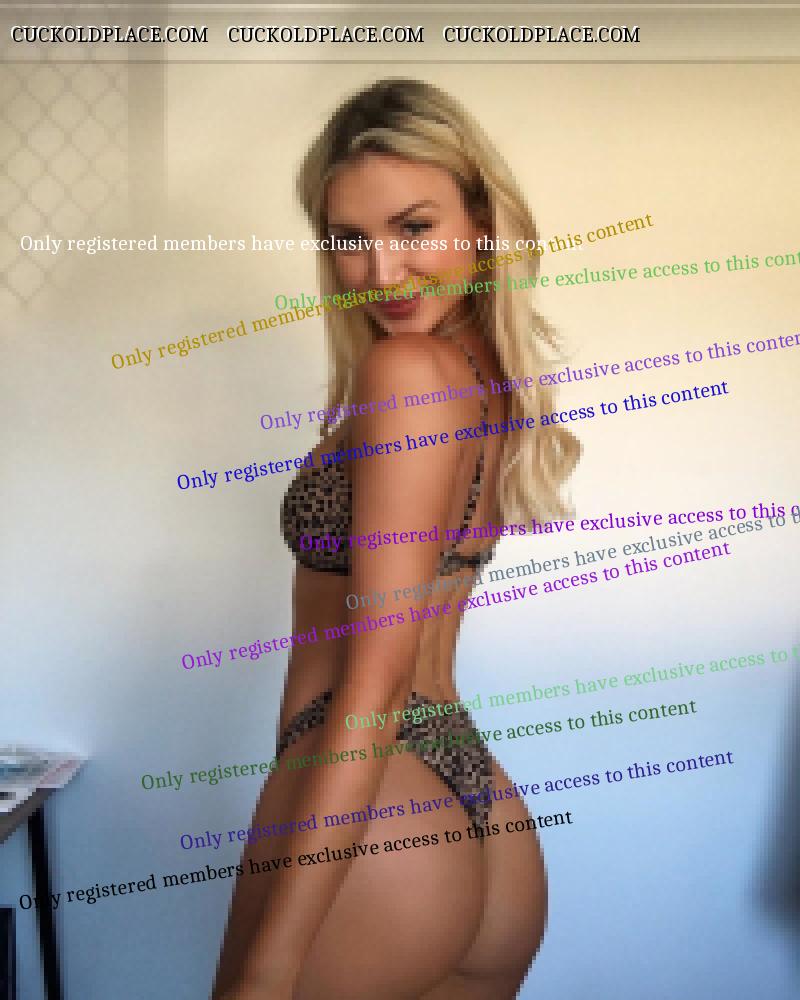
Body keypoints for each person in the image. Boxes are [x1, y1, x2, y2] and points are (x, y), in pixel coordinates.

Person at [213, 78, 580, 1000]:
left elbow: (372, 693)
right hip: (478, 807)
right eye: (349, 240)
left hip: (376, 809)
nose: (381, 273)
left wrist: (270, 965)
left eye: (413, 227)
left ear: (480, 221)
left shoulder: (407, 371)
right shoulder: (482, 376)